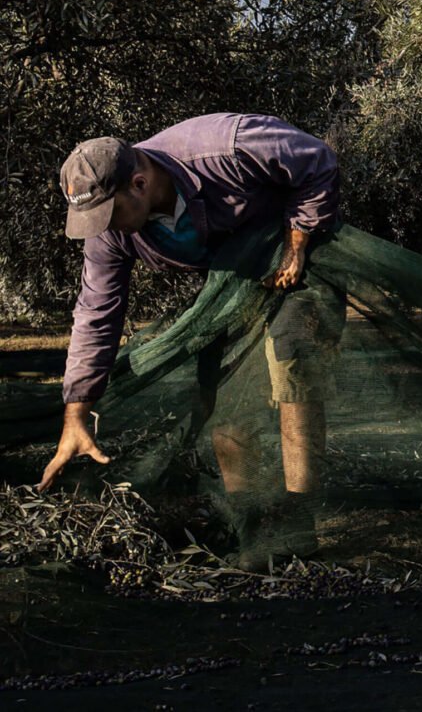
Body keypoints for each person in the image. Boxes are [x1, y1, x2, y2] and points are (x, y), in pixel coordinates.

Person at [37, 112, 343, 569]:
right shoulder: (109, 234)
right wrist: (76, 414)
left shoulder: (228, 146)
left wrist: (297, 240)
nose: (104, 228)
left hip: (299, 262)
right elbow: (96, 312)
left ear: (139, 183)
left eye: (109, 213)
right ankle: (253, 524)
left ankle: (299, 521)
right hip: (230, 287)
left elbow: (317, 161)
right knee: (222, 394)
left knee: (290, 359)